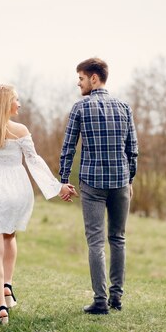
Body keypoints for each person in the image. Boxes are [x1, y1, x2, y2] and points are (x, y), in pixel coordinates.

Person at [0, 84, 77, 325]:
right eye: (16, 99)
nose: (19, 104)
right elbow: (34, 162)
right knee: (10, 237)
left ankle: (1, 307)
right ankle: (8, 285)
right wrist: (57, 187)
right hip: (17, 190)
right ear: (6, 103)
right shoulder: (20, 130)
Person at [59, 58, 139, 314]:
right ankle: (116, 299)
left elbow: (68, 147)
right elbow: (133, 149)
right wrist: (130, 179)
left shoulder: (80, 108)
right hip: (120, 182)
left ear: (94, 78)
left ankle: (100, 301)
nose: (78, 83)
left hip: (92, 183)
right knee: (118, 238)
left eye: (81, 78)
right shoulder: (124, 107)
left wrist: (63, 179)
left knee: (95, 241)